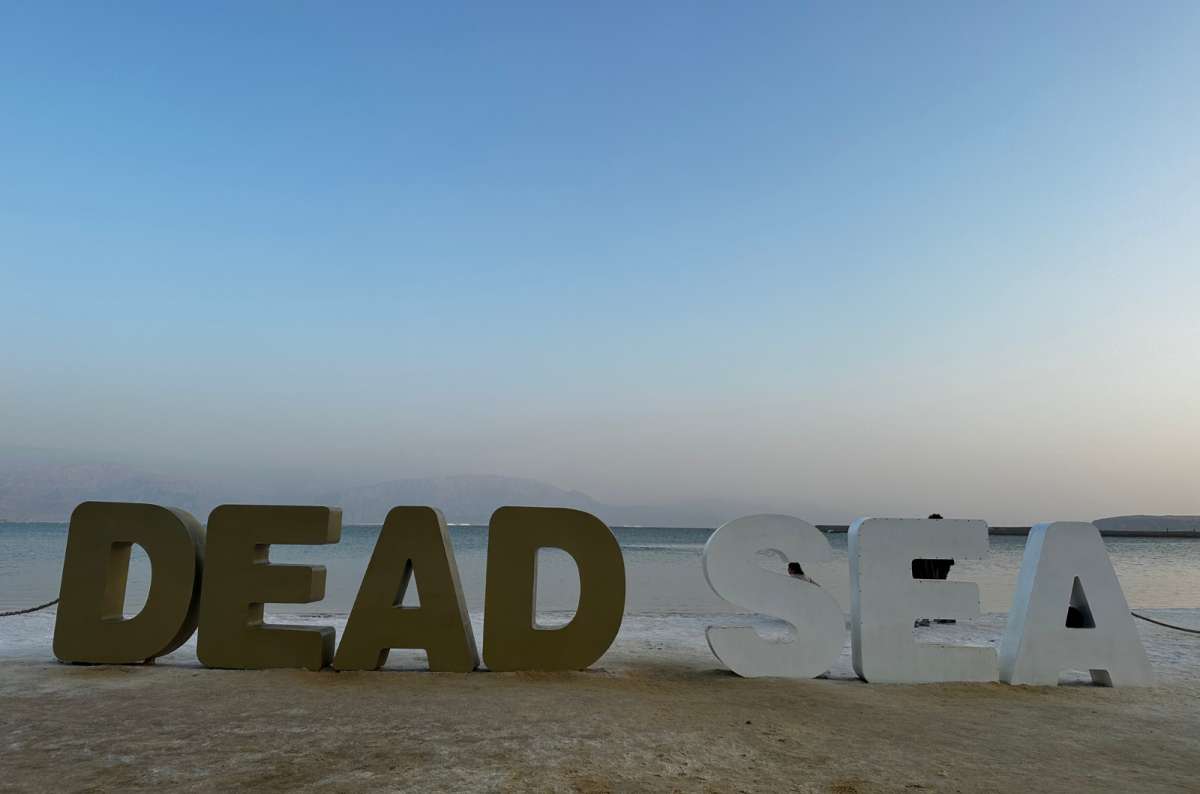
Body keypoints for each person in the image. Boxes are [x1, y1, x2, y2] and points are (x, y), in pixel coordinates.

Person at [914, 513, 956, 626]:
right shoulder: (944, 534)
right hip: (938, 564)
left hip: (935, 565)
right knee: (937, 588)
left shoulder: (930, 534)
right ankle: (941, 615)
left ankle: (933, 616)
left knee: (933, 588)